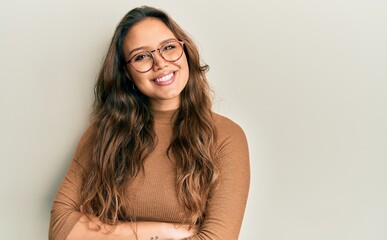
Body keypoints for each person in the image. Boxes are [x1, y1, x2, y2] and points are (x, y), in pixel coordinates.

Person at [49, 5, 250, 240]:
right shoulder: (103, 134)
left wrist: (101, 232)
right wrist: (167, 231)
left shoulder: (226, 136)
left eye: (168, 47)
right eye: (142, 56)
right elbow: (60, 228)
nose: (161, 63)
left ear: (184, 50)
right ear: (126, 73)